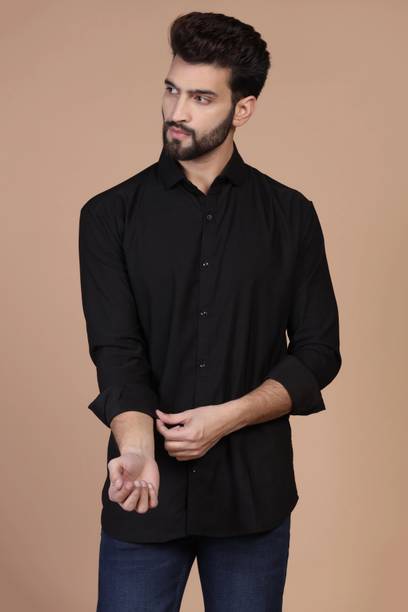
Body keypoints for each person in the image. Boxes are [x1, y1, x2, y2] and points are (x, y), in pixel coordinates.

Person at [78, 10, 342, 612]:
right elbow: (117, 353)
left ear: (242, 109)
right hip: (145, 494)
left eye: (201, 97)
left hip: (253, 498)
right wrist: (136, 451)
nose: (177, 111)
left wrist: (228, 418)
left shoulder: (291, 216)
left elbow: (319, 352)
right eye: (172, 89)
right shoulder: (109, 216)